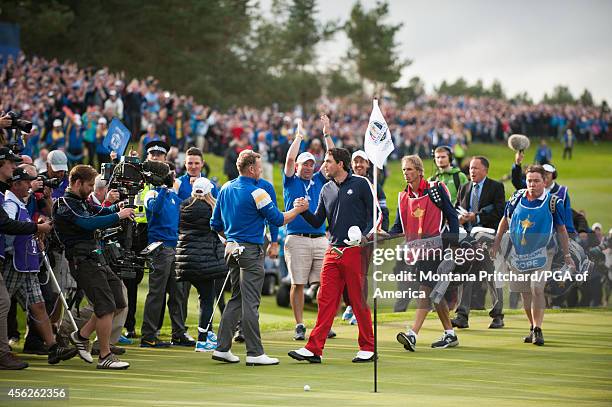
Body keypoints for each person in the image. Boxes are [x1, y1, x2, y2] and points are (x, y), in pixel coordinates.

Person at [210, 149, 307, 366]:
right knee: (251, 302)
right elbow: (279, 219)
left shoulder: (225, 188)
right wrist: (298, 210)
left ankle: (222, 348)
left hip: (231, 250)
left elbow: (214, 224)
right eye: (259, 167)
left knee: (236, 298)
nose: (261, 171)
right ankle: (254, 352)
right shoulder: (258, 192)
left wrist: (231, 240)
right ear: (252, 169)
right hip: (251, 251)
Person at [288, 148, 376, 364]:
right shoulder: (326, 188)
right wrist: (303, 210)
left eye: (328, 162)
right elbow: (318, 221)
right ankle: (314, 348)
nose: (323, 166)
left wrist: (364, 235)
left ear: (340, 164)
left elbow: (375, 214)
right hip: (333, 250)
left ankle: (368, 347)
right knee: (325, 299)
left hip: (356, 250)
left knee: (357, 299)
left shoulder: (361, 184)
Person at [53, 164, 134, 369]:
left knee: (117, 300)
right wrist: (118, 215)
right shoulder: (65, 203)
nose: (92, 189)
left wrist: (118, 208)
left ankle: (81, 336)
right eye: (89, 185)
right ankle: (104, 355)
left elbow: (100, 211)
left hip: (95, 257)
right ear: (77, 183)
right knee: (105, 306)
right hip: (82, 260)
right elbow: (87, 223)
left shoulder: (80, 201)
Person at [490, 165, 575, 346]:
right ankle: (532, 326)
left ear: (545, 181)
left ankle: (538, 329)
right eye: (529, 180)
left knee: (537, 287)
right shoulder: (516, 197)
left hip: (544, 252)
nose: (532, 184)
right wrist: (496, 244)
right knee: (525, 294)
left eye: (536, 181)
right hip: (519, 254)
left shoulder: (553, 202)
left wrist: (567, 255)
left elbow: (561, 229)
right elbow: (504, 221)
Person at [3, 167, 78, 365]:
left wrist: (36, 231)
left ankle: (53, 347)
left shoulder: (19, 202)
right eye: (26, 182)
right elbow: (9, 229)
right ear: (16, 184)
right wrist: (36, 229)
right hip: (15, 262)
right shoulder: (10, 203)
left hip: (26, 264)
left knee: (38, 305)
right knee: (3, 305)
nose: (30, 185)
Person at [391, 155, 460, 352]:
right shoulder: (403, 196)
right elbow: (398, 227)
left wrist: (453, 245)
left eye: (410, 169)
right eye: (404, 170)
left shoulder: (435, 189)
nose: (406, 173)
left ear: (420, 171)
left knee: (425, 289)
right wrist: (379, 234)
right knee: (435, 293)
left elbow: (452, 216)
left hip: (436, 248)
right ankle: (450, 333)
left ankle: (413, 333)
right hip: (417, 252)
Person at [283, 115, 333, 341]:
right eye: (305, 164)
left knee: (324, 282)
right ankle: (300, 324)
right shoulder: (291, 180)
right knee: (298, 283)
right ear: (298, 166)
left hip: (320, 237)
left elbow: (332, 158)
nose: (308, 167)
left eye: (312, 164)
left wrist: (327, 134)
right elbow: (289, 158)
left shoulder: (319, 179)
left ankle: (322, 324)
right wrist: (299, 136)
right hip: (296, 237)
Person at [139, 161, 193, 348]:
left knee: (177, 293)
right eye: (168, 174)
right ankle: (148, 335)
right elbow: (155, 210)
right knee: (157, 292)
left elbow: (185, 210)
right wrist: (162, 188)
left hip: (174, 247)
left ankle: (178, 333)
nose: (172, 177)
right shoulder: (152, 193)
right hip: (159, 248)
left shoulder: (172, 196)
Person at [451, 156, 506, 329]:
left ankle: (497, 315)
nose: (472, 171)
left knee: (490, 275)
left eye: (475, 168)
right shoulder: (464, 187)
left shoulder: (496, 187)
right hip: (468, 241)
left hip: (487, 239)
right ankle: (462, 315)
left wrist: (477, 216)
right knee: (465, 274)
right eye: (470, 169)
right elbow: (456, 209)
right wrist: (459, 219)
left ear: (485, 170)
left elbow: (499, 213)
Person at [175, 177, 227, 352]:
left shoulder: (184, 205)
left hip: (185, 260)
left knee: (203, 296)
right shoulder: (211, 208)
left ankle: (207, 332)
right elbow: (220, 229)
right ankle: (203, 340)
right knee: (206, 299)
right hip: (203, 261)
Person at [341, 149, 389, 325]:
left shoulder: (375, 185)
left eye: (362, 162)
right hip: (346, 238)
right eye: (356, 162)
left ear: (368, 165)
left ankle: (359, 308)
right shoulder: (344, 182)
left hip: (367, 237)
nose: (359, 165)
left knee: (362, 275)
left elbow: (382, 212)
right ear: (351, 164)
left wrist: (378, 233)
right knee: (347, 275)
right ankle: (351, 305)